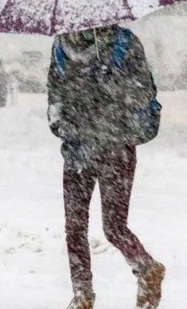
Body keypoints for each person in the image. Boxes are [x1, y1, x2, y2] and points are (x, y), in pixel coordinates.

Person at [47, 24, 164, 309]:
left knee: (114, 227)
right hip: (78, 149)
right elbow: (55, 95)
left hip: (116, 146)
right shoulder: (61, 45)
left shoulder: (123, 42)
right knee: (75, 227)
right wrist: (61, 124)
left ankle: (147, 269)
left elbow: (143, 91)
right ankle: (82, 295)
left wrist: (112, 84)